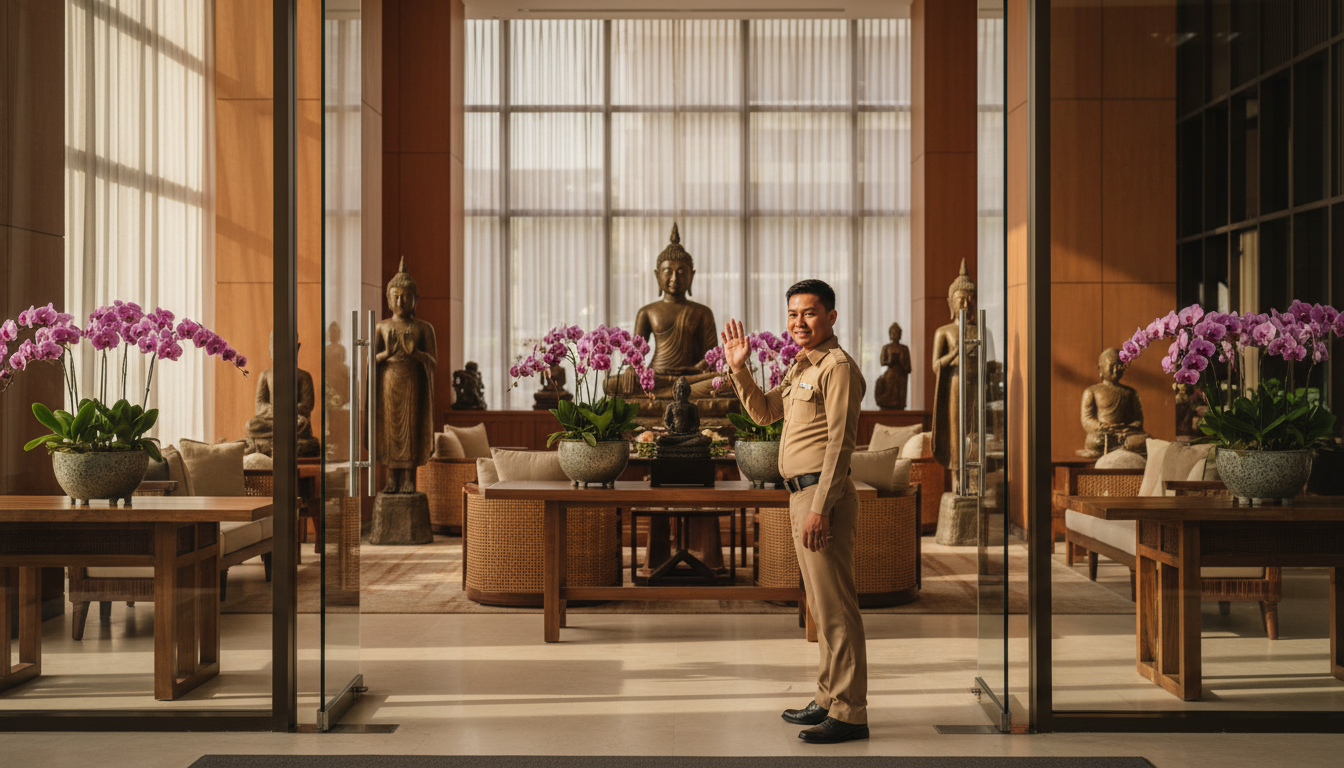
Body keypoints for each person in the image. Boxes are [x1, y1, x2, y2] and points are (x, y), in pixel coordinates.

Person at [722, 279, 869, 744]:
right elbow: (766, 414)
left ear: (831, 317)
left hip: (823, 498)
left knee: (837, 607)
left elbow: (840, 445)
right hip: (800, 496)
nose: (798, 322)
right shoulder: (800, 366)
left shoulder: (838, 368)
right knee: (821, 606)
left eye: (808, 313)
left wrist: (820, 508)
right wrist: (739, 370)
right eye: (792, 314)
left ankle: (850, 713)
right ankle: (827, 698)